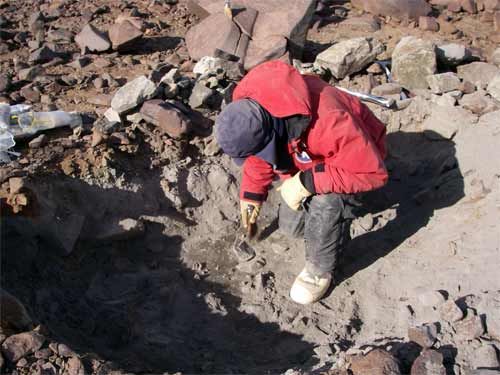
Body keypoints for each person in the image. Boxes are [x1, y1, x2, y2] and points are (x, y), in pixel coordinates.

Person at [215, 60, 388, 304]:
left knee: (327, 202)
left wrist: (306, 183)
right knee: (293, 229)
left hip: (356, 161)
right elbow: (258, 152)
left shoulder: (329, 120)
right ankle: (320, 213)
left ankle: (319, 270)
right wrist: (251, 195)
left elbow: (372, 172)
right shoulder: (258, 111)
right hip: (306, 157)